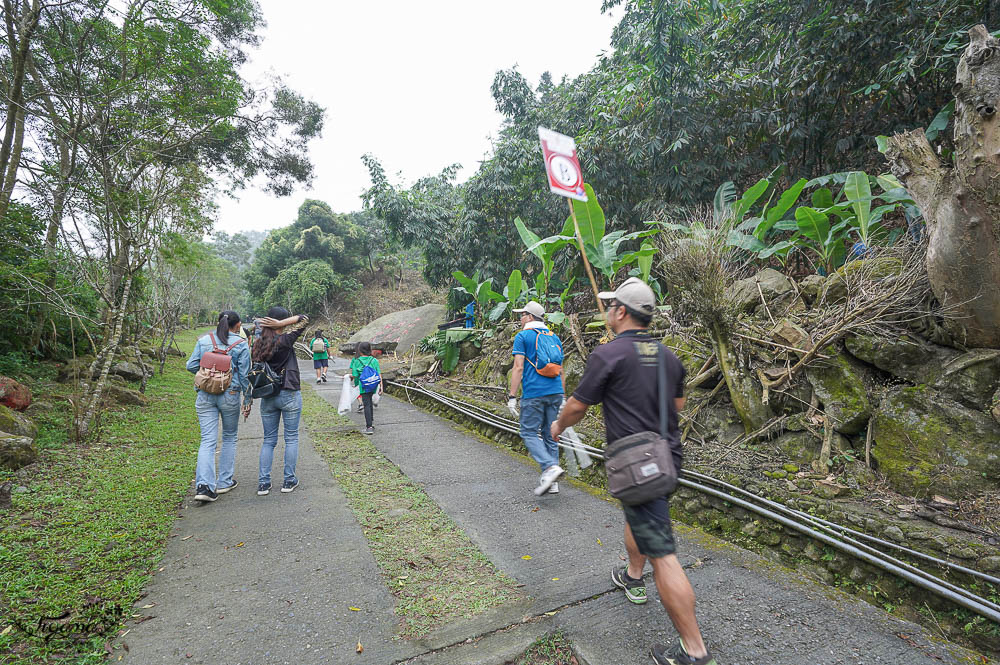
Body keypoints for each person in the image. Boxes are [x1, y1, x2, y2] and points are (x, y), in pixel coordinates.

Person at [551, 277, 716, 665]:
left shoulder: (608, 356)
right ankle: (632, 574)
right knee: (640, 518)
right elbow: (675, 407)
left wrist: (557, 427)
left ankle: (694, 649)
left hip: (638, 468)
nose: (608, 311)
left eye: (612, 307)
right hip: (666, 460)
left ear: (621, 312)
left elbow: (577, 406)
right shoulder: (670, 358)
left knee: (664, 554)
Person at [186, 311, 250, 503]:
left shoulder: (204, 340)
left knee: (207, 440)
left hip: (205, 394)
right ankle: (224, 482)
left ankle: (204, 486)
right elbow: (245, 375)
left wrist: (208, 374)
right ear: (237, 325)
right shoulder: (240, 344)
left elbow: (191, 365)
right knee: (229, 437)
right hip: (230, 394)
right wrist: (247, 399)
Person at [507, 300, 566, 496]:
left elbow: (518, 367)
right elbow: (561, 369)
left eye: (522, 315)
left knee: (529, 433)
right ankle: (553, 482)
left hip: (534, 393)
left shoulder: (523, 336)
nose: (520, 319)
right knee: (550, 434)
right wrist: (563, 395)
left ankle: (550, 467)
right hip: (556, 391)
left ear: (530, 317)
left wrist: (512, 396)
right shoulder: (554, 336)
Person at [251, 306, 309, 496]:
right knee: (291, 438)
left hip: (268, 396)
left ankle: (264, 483)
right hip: (289, 392)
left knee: (268, 440)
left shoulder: (258, 343)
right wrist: (282, 323)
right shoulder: (285, 340)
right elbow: (304, 318)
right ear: (280, 322)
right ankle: (288, 480)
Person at [350, 341, 383, 435]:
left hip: (364, 387)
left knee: (367, 404)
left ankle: (369, 427)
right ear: (370, 350)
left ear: (360, 351)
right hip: (373, 385)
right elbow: (379, 374)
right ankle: (371, 423)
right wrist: (381, 386)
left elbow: (355, 375)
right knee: (370, 403)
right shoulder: (374, 361)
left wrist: (350, 376)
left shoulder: (357, 361)